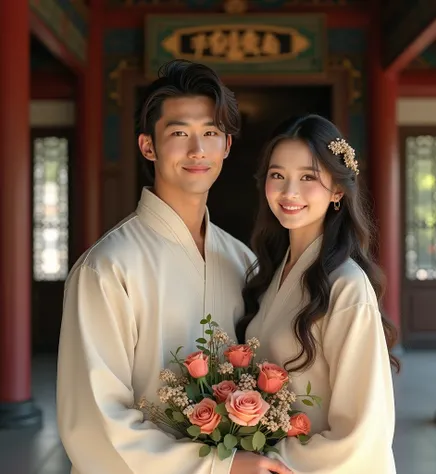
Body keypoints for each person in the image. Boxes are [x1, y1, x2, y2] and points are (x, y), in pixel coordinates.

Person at [57, 60, 291, 474]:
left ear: (227, 147)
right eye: (180, 133)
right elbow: (93, 421)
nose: (198, 150)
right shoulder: (108, 267)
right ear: (148, 146)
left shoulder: (242, 261)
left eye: (211, 133)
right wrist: (220, 467)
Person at [236, 113, 399, 473]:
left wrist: (271, 462)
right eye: (277, 175)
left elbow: (364, 430)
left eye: (308, 177)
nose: (289, 192)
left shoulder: (346, 286)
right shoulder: (271, 274)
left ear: (338, 189)